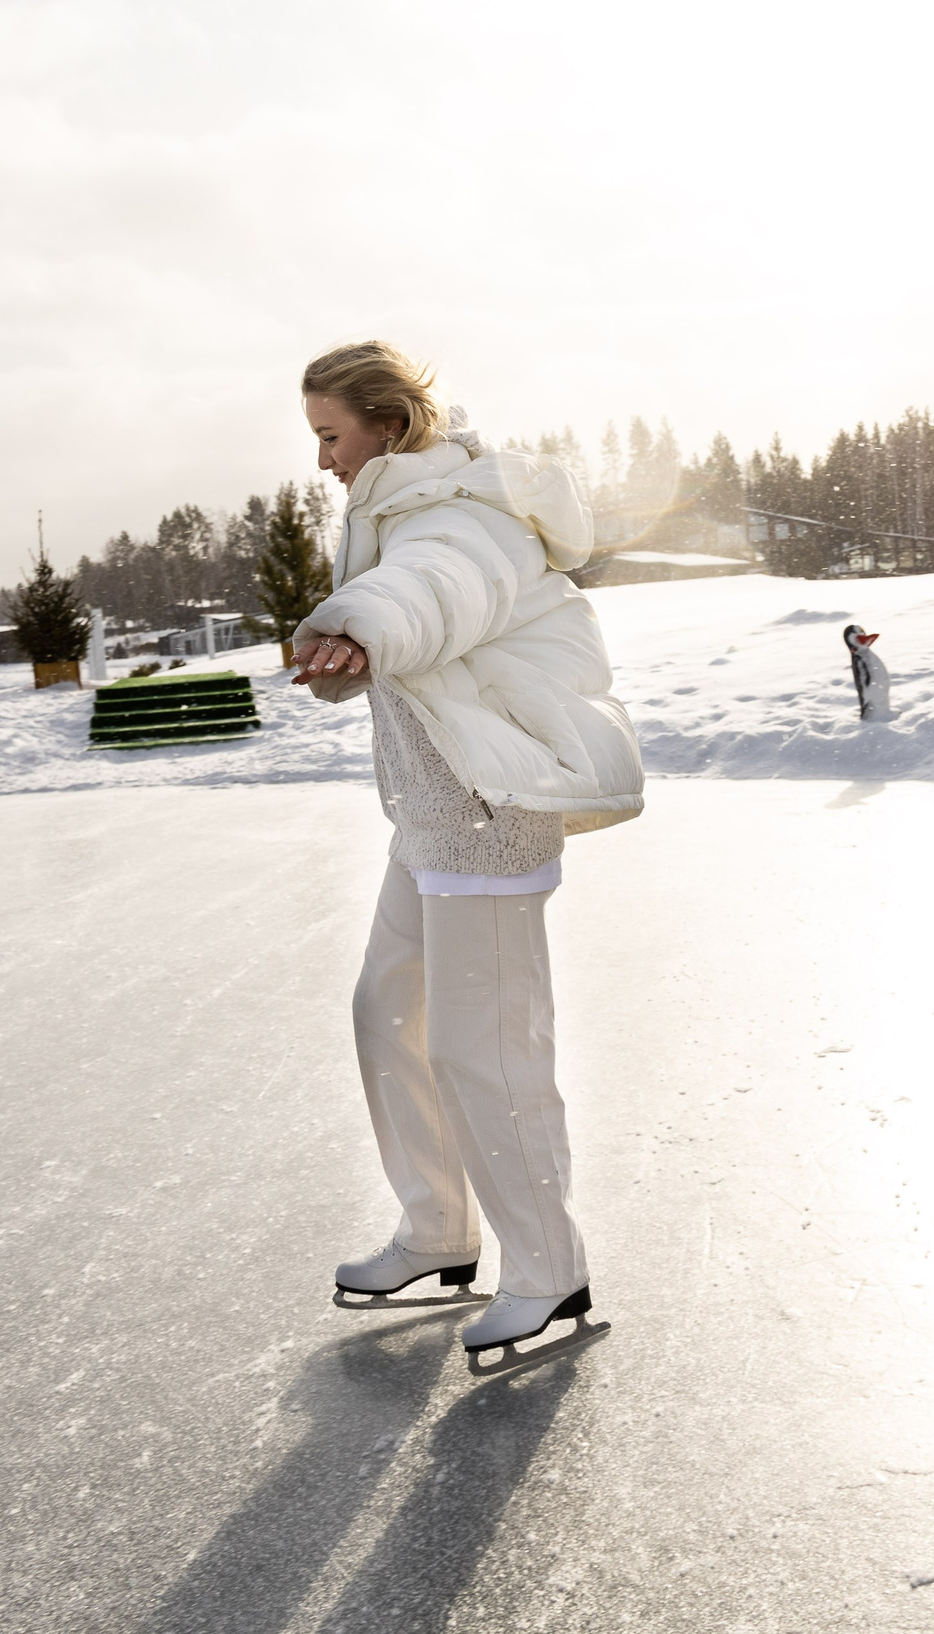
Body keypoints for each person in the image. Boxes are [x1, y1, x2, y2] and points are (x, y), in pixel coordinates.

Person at [287, 340, 644, 1362]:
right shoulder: (405, 510)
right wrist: (360, 654)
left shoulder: (458, 519)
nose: (322, 461)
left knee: (483, 1045)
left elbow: (439, 592)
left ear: (387, 428)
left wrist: (362, 620)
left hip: (484, 818)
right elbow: (432, 633)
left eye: (331, 437)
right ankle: (438, 1230)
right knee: (388, 1009)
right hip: (432, 818)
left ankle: (547, 1271)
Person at [843, 623, 890, 720]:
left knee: (881, 697)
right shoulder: (859, 659)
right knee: (876, 700)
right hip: (871, 700)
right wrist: (866, 700)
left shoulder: (864, 655)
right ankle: (875, 716)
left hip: (876, 694)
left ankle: (883, 712)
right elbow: (863, 680)